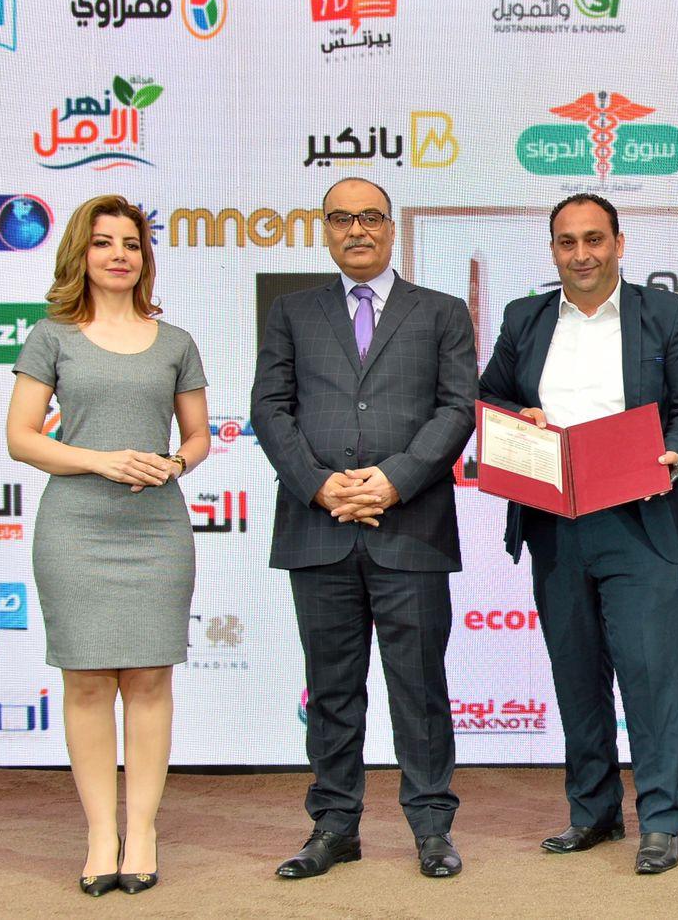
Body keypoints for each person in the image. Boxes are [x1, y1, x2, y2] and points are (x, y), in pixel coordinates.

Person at [478, 193, 678, 875]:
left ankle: (661, 821)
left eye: (593, 239)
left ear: (618, 243)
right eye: (567, 242)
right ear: (553, 250)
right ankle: (593, 811)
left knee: (651, 676)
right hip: (554, 522)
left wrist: (675, 453)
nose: (581, 254)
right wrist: (517, 417)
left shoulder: (662, 313)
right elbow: (489, 396)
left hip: (640, 516)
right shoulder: (525, 318)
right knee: (576, 674)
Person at [251, 177, 476, 879]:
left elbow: (456, 409)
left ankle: (432, 828)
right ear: (324, 229)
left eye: (371, 217)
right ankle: (334, 827)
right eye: (342, 218)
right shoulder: (291, 312)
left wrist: (395, 479)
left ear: (391, 226)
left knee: (420, 688)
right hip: (318, 529)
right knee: (331, 691)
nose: (357, 229)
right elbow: (269, 408)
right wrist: (320, 486)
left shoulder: (441, 312)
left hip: (411, 528)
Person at [6, 194, 210, 896]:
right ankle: (101, 834)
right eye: (103, 242)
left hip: (156, 528)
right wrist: (101, 459)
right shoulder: (51, 336)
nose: (119, 254)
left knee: (150, 679)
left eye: (130, 243)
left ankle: (142, 831)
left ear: (144, 257)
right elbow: (22, 438)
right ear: (81, 254)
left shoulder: (175, 342)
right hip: (76, 526)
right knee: (87, 681)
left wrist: (173, 464)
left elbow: (198, 437)